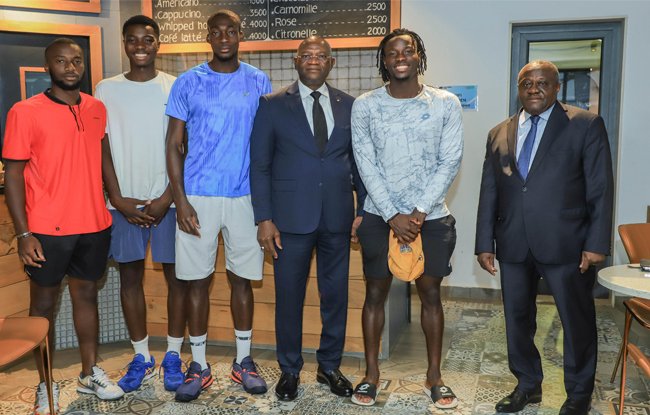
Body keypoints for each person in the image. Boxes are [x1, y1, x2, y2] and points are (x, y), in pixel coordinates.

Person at [475, 60, 613, 415]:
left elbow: (600, 188)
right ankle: (527, 385)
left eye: (542, 83)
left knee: (576, 321)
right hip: (513, 243)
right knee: (517, 320)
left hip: (567, 243)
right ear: (518, 88)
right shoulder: (498, 132)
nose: (534, 88)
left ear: (556, 88)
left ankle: (579, 394)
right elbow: (490, 190)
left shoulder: (585, 124)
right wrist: (484, 242)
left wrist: (596, 244)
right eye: (527, 83)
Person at [2, 38, 124, 415]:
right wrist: (24, 234)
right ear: (48, 67)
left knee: (87, 297)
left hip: (93, 224)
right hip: (45, 230)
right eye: (61, 61)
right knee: (43, 307)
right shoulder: (25, 111)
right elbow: (14, 175)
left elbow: (102, 156)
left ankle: (89, 373)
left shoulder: (96, 108)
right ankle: (45, 383)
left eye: (76, 61)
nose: (71, 68)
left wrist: (117, 199)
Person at [350, 28, 463, 408]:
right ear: (383, 60)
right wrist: (391, 214)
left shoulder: (445, 103)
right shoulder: (365, 106)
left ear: (419, 57)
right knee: (375, 294)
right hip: (379, 215)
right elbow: (365, 163)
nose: (400, 57)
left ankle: (435, 376)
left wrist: (417, 213)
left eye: (408, 50)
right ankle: (371, 374)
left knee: (430, 295)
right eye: (392, 52)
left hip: (430, 218)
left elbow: (450, 160)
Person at [250, 35, 366, 402]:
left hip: (337, 218)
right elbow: (260, 166)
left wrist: (362, 209)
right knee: (289, 298)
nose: (314, 60)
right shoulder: (271, 105)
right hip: (288, 221)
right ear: (295, 61)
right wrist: (264, 218)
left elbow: (359, 163)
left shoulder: (350, 106)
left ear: (331, 63)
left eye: (321, 55)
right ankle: (289, 369)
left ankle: (329, 366)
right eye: (307, 55)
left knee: (335, 296)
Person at [165, 9, 271, 402]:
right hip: (198, 198)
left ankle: (243, 361)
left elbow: (265, 142)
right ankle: (199, 365)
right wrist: (180, 200)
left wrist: (266, 204)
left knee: (242, 280)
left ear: (240, 35)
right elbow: (173, 144)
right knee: (197, 281)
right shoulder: (188, 82)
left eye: (231, 31)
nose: (224, 37)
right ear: (208, 36)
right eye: (217, 32)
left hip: (245, 197)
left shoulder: (258, 80)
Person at [96, 15, 187, 393]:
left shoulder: (176, 85)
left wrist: (168, 197)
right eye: (132, 39)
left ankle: (174, 355)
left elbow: (185, 144)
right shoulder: (106, 89)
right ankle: (141, 356)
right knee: (130, 279)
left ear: (157, 44)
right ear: (124, 44)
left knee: (177, 279)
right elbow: (101, 147)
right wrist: (117, 198)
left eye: (147, 39)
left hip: (168, 203)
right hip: (124, 206)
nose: (140, 46)